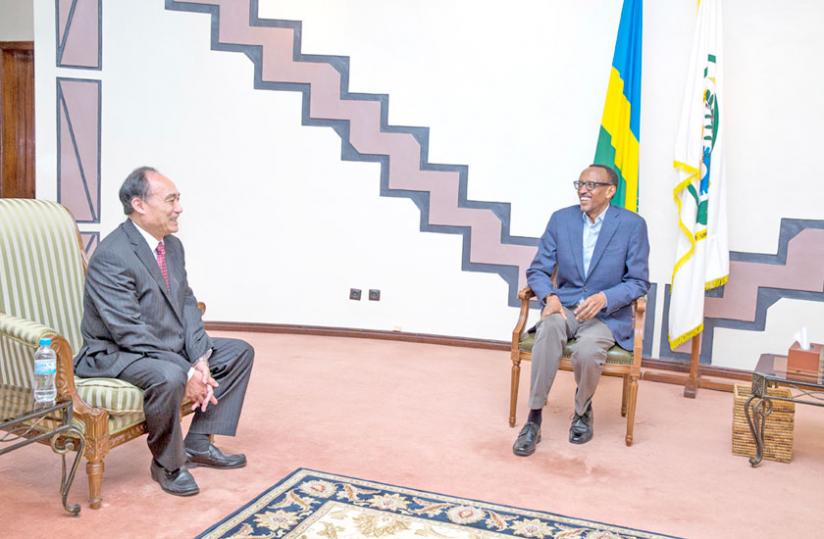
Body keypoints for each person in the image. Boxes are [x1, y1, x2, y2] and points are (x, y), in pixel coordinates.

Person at [74, 166, 255, 496]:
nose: (179, 208)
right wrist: (187, 372)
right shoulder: (112, 255)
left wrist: (200, 357)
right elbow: (127, 331)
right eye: (171, 200)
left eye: (178, 199)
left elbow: (186, 303)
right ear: (139, 204)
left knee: (238, 352)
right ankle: (167, 464)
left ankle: (198, 443)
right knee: (169, 376)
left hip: (160, 345)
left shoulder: (172, 247)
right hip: (116, 352)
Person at [513, 164, 649, 456]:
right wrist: (550, 297)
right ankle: (534, 418)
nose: (583, 190)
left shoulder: (632, 225)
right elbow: (538, 270)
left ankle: (583, 409)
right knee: (548, 329)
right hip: (566, 305)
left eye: (591, 185)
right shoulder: (561, 220)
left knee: (587, 351)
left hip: (607, 316)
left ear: (610, 191)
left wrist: (605, 298)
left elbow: (638, 281)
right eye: (580, 184)